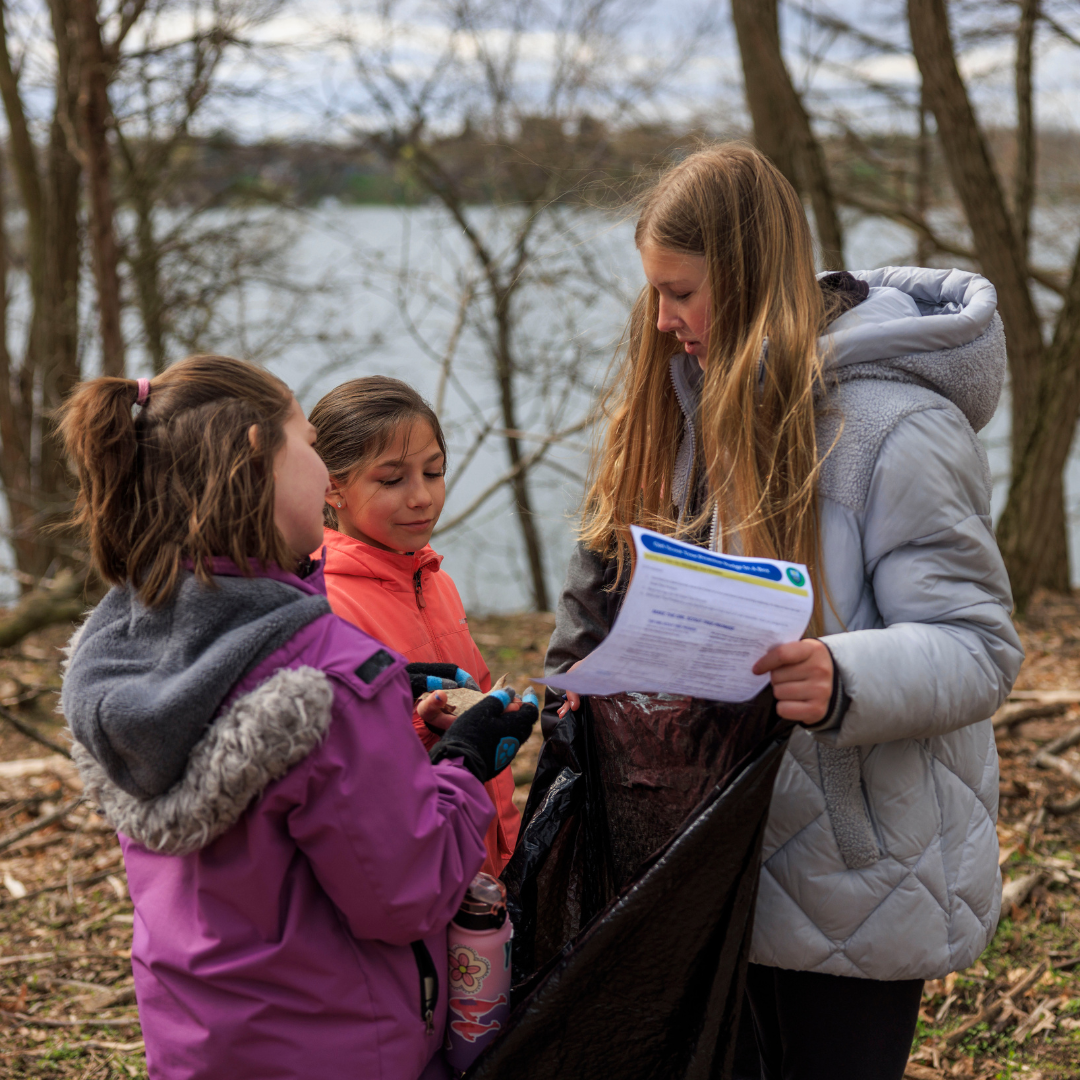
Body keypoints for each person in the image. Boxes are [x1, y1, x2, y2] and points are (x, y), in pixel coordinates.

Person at [543, 144, 1023, 1080]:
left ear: (751, 275)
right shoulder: (677, 406)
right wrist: (577, 676)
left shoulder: (894, 429)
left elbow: (980, 646)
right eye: (654, 292)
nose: (661, 319)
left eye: (680, 292)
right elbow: (605, 571)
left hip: (855, 875)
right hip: (705, 856)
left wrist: (843, 676)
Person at [57, 356, 537, 1080]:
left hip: (201, 1038)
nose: (324, 471)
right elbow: (406, 895)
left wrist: (389, 697)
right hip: (340, 1046)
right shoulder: (332, 675)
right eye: (309, 444)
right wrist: (465, 764)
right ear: (261, 459)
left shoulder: (131, 640)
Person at [309, 376, 520, 877]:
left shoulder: (434, 579)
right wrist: (429, 726)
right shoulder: (324, 600)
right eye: (392, 479)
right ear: (332, 487)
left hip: (481, 854)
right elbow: (336, 757)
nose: (422, 497)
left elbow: (480, 697)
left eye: (434, 471)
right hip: (408, 867)